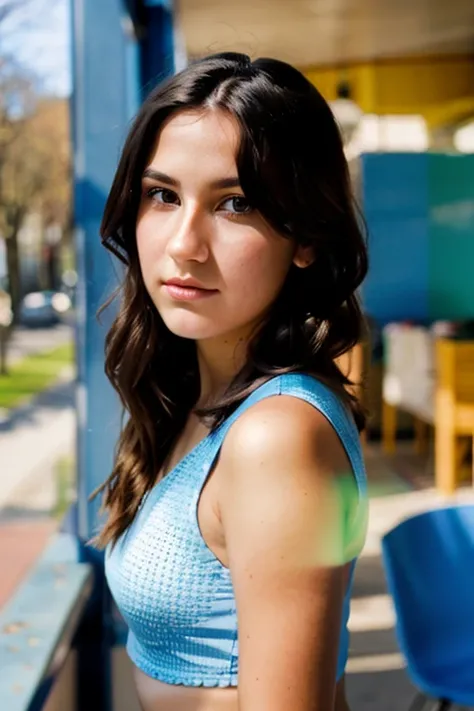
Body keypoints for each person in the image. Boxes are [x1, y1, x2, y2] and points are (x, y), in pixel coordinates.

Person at [95, 52, 369, 711]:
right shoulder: (199, 402)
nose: (184, 244)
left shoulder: (276, 436)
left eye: (234, 202)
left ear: (303, 236)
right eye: (163, 195)